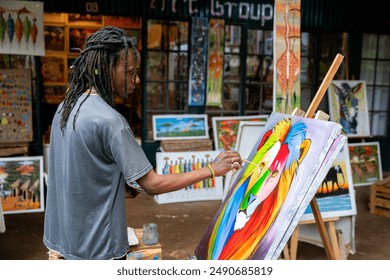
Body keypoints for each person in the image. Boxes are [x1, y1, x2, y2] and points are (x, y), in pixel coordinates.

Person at [43, 26, 242, 260]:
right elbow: (153, 184)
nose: (136, 80)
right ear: (107, 68)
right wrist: (211, 169)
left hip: (63, 241)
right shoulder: (111, 122)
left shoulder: (65, 109)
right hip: (97, 250)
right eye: (130, 72)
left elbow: (82, 168)